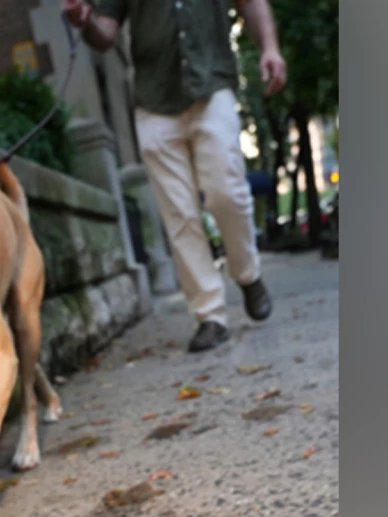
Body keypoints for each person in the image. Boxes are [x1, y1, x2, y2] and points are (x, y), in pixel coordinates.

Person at [62, 0, 287, 352]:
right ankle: (209, 315)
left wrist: (269, 48)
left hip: (212, 84)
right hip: (153, 102)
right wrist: (85, 20)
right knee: (179, 213)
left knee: (226, 193)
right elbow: (106, 32)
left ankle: (247, 273)